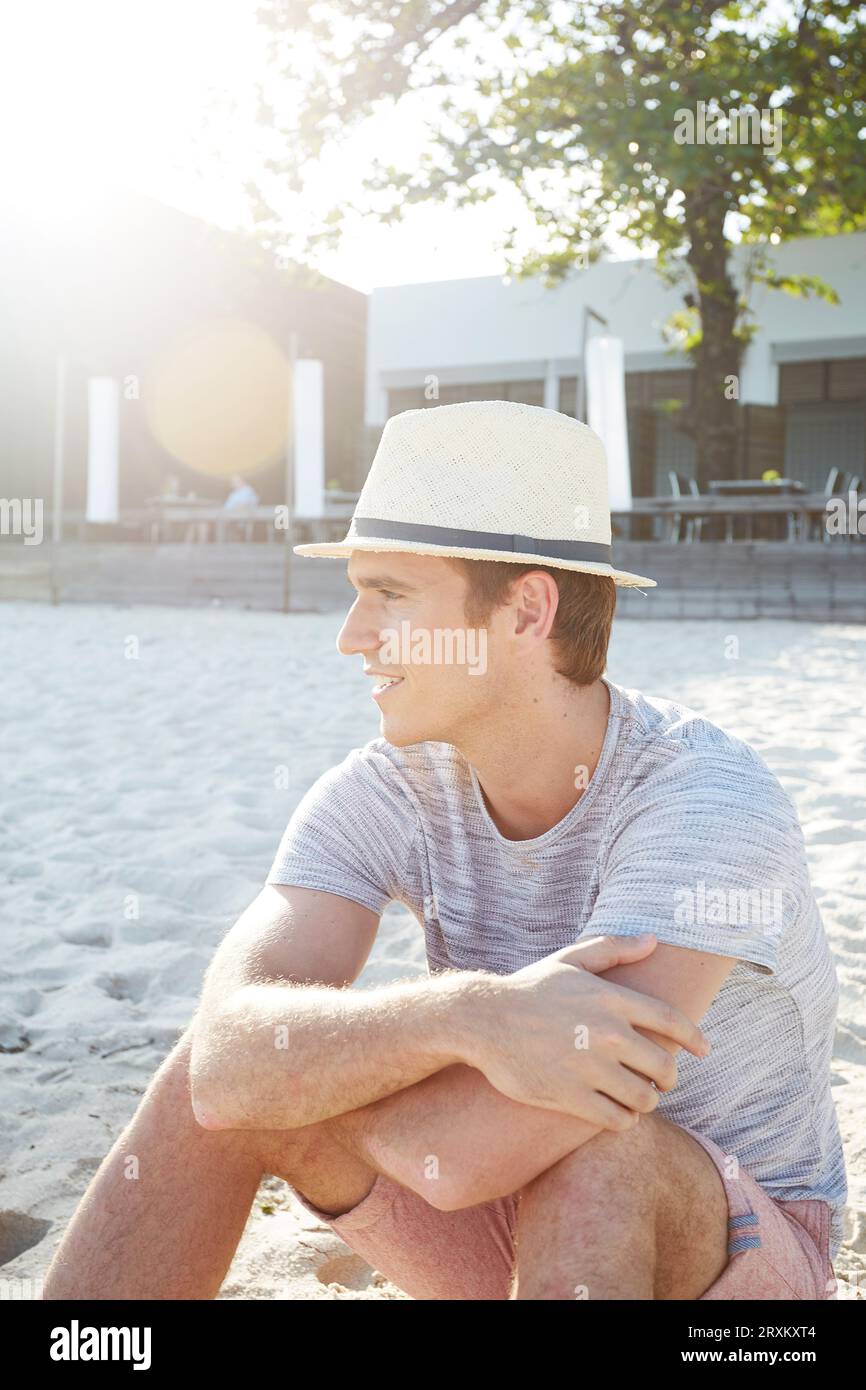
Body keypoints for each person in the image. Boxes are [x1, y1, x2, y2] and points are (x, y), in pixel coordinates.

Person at [43, 401, 846, 1301]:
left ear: (526, 609)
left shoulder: (705, 802)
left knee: (600, 1156)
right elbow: (222, 1062)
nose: (350, 633)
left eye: (390, 594)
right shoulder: (387, 786)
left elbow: (468, 1157)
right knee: (215, 1088)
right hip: (485, 1214)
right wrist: (469, 1016)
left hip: (730, 1264)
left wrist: (310, 1075)